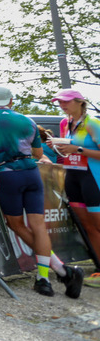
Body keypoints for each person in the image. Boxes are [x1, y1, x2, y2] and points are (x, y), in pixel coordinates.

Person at [0, 86, 82, 297]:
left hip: (8, 174)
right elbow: (38, 152)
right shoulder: (28, 121)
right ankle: (48, 277)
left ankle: (59, 271)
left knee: (15, 224)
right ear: (10, 102)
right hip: (32, 173)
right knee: (39, 227)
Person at [47, 87, 100, 288]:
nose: (62, 105)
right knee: (88, 227)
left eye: (66, 101)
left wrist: (77, 149)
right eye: (59, 102)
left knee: (98, 226)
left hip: (93, 178)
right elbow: (67, 150)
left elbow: (79, 149)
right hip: (73, 177)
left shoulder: (92, 123)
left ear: (80, 102)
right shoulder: (65, 123)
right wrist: (58, 147)